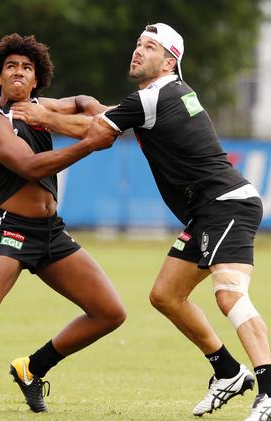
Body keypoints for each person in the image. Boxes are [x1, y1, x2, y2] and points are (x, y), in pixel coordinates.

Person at [18, 23, 271, 421]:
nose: (138, 51)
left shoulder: (157, 95)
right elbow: (93, 110)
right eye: (138, 43)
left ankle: (268, 394)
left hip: (227, 205)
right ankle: (227, 371)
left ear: (170, 61)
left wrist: (38, 115)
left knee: (229, 294)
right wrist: (38, 105)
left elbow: (95, 132)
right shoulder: (158, 97)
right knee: (166, 295)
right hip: (207, 210)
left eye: (149, 47)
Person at [0, 33, 126, 413]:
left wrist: (93, 107)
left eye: (27, 68)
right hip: (12, 228)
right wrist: (87, 143)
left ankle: (31, 369)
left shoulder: (39, 107)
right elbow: (30, 166)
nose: (19, 72)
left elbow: (80, 102)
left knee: (110, 313)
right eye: (11, 67)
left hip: (52, 232)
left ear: (36, 80)